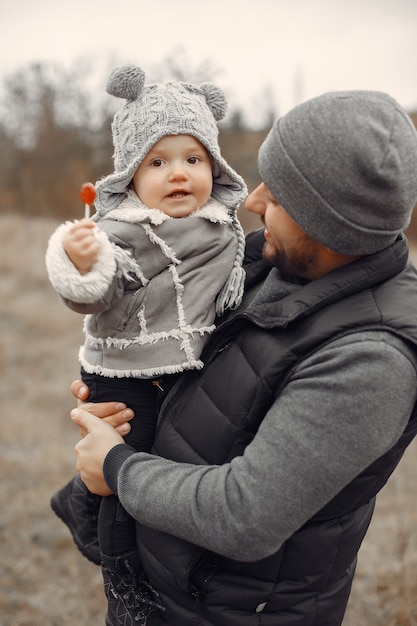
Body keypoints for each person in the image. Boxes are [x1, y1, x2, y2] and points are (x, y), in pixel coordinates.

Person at [71, 90, 417, 626]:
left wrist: (117, 469)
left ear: (330, 225)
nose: (251, 202)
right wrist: (126, 397)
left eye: (277, 199)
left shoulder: (371, 361)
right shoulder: (266, 263)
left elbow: (245, 514)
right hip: (168, 590)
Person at [45, 65, 247, 580]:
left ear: (214, 166)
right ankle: (118, 563)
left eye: (193, 158)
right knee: (120, 469)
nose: (178, 173)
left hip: (183, 368)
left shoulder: (224, 228)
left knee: (163, 466)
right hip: (123, 372)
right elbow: (95, 293)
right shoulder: (122, 231)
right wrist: (80, 258)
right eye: (158, 161)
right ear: (132, 174)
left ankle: (87, 507)